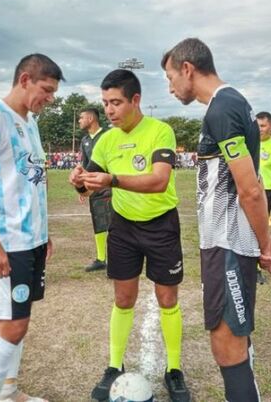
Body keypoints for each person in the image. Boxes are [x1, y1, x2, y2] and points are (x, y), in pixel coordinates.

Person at [162, 38, 271, 402]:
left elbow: (250, 188)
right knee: (235, 340)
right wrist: (266, 239)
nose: (171, 87)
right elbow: (250, 180)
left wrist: (265, 245)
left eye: (171, 77)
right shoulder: (235, 105)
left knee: (227, 346)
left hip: (228, 243)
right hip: (226, 241)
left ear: (188, 69)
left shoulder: (223, 108)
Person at [69, 69, 191, 402]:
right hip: (123, 227)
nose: (109, 110)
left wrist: (112, 180)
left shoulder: (159, 131)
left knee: (168, 300)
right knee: (123, 299)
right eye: (105, 103)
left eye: (116, 102)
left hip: (161, 224)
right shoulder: (106, 139)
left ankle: (175, 370)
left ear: (135, 100)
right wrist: (80, 179)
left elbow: (159, 181)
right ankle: (113, 366)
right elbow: (90, 182)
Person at [0, 54, 64, 402]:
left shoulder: (30, 122)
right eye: (46, 90)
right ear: (24, 79)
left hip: (31, 241)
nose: (49, 98)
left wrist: (44, 230)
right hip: (7, 243)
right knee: (11, 326)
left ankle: (8, 393)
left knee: (19, 322)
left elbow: (32, 180)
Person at [78, 107, 112, 272]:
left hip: (109, 186)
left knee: (112, 222)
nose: (79, 121)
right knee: (98, 221)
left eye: (81, 118)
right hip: (93, 188)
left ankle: (114, 260)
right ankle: (101, 259)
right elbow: (84, 165)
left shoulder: (108, 135)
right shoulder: (84, 140)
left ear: (91, 118)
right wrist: (83, 188)